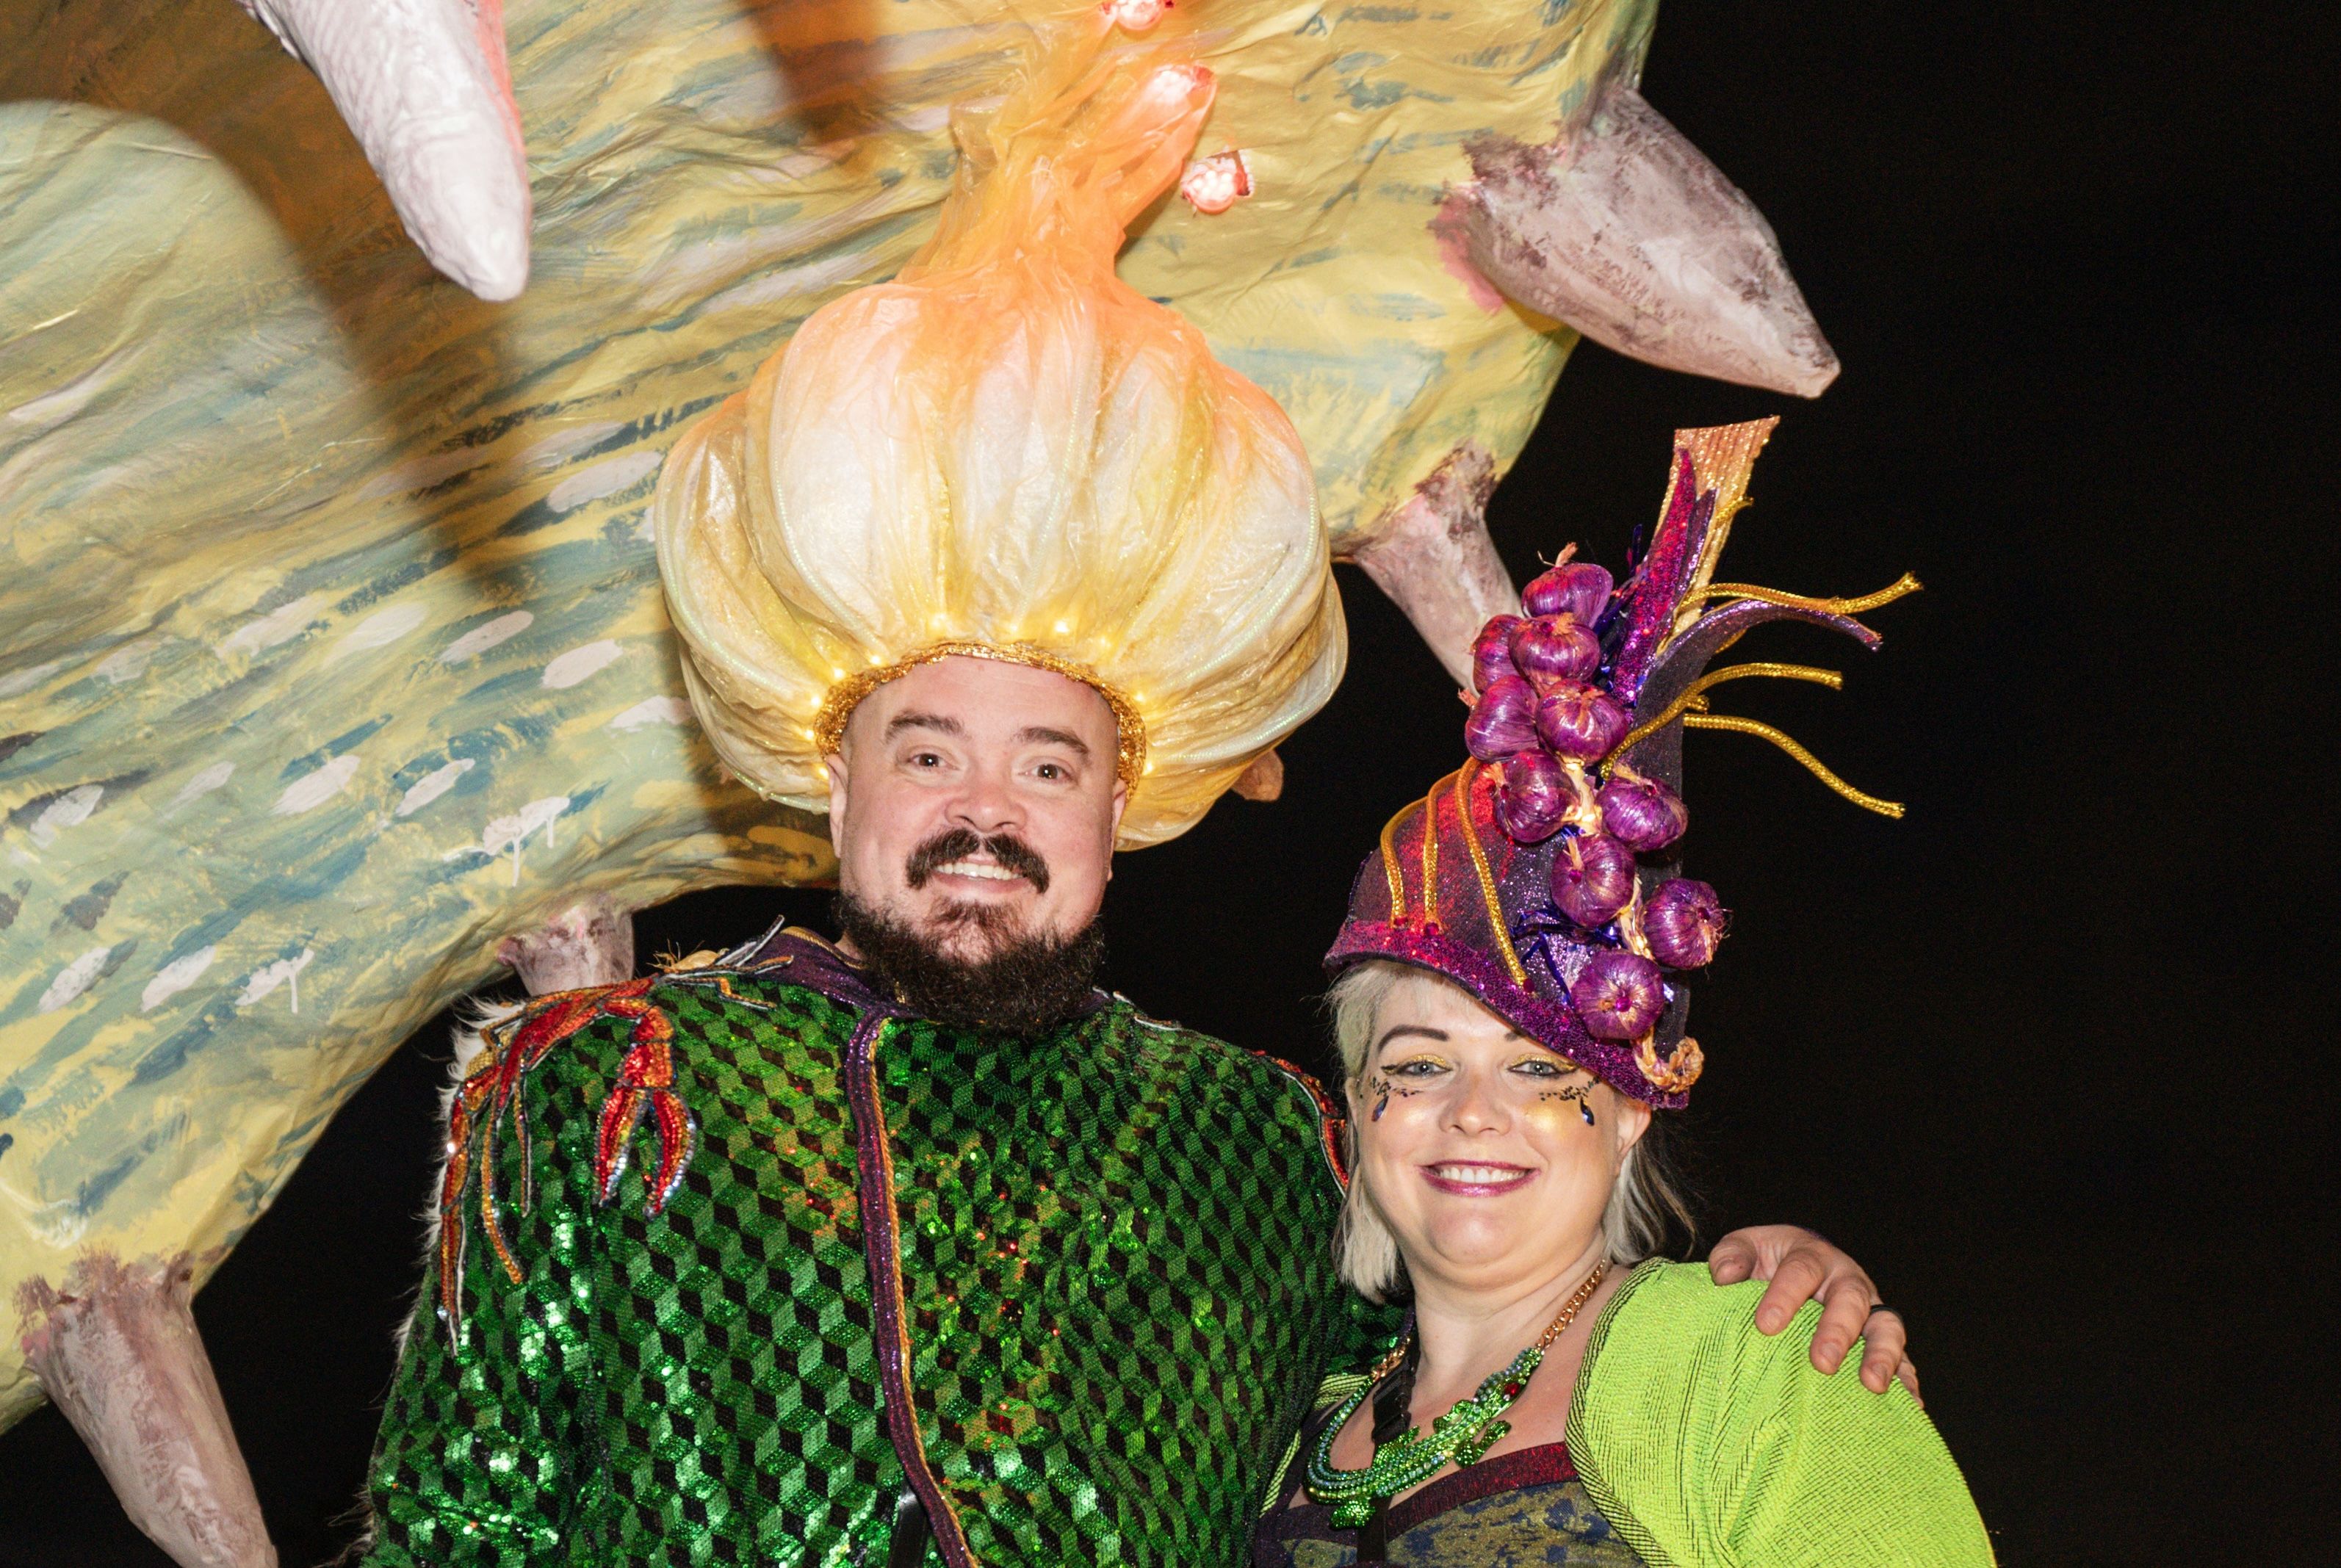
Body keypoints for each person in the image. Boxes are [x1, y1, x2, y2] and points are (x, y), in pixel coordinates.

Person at [357, 32, 1908, 1568]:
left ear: (1123, 803)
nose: (985, 811)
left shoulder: (1262, 1146)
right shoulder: (609, 1085)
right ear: (833, 778)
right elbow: (454, 1532)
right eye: (926, 753)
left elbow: (1460, 1389)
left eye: (1049, 764)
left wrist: (1744, 1290)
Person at [1256, 426, 1985, 1566]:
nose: (1473, 1112)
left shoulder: (1756, 1366)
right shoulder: (1290, 1434)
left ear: (1633, 1107)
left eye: (1538, 1068)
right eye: (1418, 1065)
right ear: (1359, 1107)